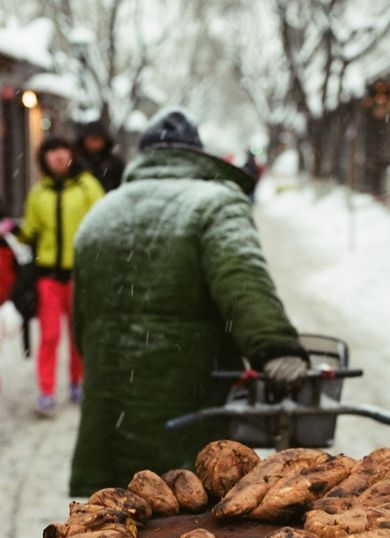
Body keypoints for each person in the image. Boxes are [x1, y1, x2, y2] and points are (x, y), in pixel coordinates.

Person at [69, 108, 308, 497]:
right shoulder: (215, 203)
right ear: (196, 154)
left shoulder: (101, 214)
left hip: (109, 423)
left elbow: (81, 324)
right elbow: (242, 280)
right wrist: (275, 347)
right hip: (189, 419)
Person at [18, 135, 105, 417]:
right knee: (50, 334)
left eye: (62, 150)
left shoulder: (87, 186)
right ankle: (46, 391)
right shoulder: (38, 193)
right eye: (51, 151)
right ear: (43, 158)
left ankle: (77, 383)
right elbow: (29, 232)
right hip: (48, 276)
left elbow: (104, 220)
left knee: (77, 334)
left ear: (71, 154)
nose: (57, 156)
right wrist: (12, 231)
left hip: (81, 273)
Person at [76, 121, 125, 192]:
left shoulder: (115, 163)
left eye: (98, 139)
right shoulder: (76, 161)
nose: (94, 143)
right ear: (84, 140)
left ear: (105, 140)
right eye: (91, 139)